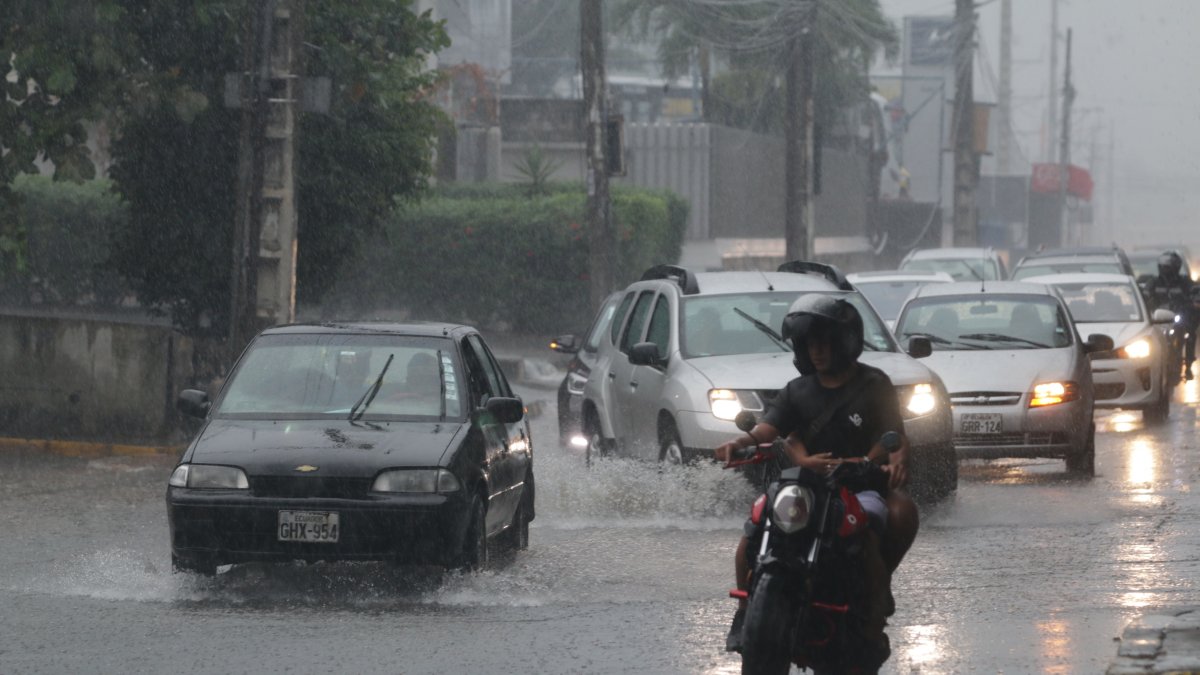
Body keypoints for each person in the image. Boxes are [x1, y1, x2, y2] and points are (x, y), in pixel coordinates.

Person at [714, 293, 919, 654]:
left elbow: (893, 436)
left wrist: (886, 460)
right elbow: (769, 428)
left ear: (846, 342)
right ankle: (744, 612)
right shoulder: (797, 390)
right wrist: (740, 441)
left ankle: (872, 607)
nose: (817, 351)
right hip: (803, 486)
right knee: (755, 530)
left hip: (857, 486)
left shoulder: (874, 384)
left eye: (824, 343)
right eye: (810, 344)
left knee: (867, 529)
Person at [1145, 251, 1197, 380]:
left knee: (1190, 334)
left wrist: (1194, 301)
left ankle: (1189, 364)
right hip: (1159, 319)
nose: (1165, 270)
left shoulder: (1184, 282)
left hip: (1180, 317)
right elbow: (1146, 295)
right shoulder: (1154, 282)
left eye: (1168, 267)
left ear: (1176, 268)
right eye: (1163, 267)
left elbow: (1195, 292)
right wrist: (1147, 300)